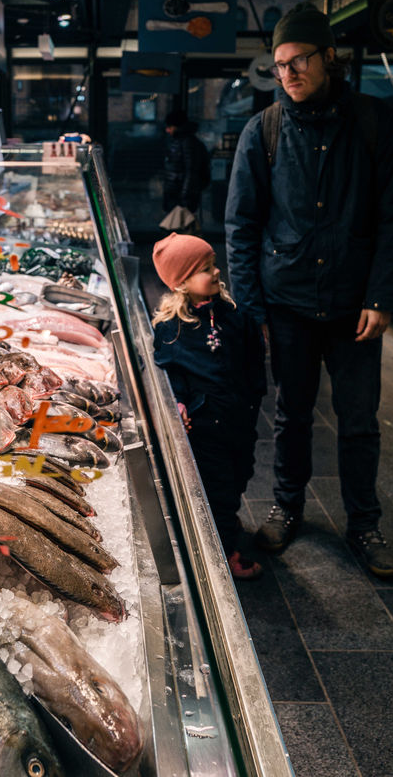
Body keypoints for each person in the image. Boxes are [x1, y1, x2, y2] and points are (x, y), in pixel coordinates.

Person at [225, 1, 393, 578]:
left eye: (299, 59)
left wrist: (381, 298)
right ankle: (286, 506)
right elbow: (241, 226)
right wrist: (253, 312)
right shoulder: (264, 131)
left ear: (329, 57)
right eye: (279, 65)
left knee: (358, 421)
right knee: (291, 415)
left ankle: (365, 524)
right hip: (288, 304)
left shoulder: (377, 123)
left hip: (355, 307)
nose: (289, 72)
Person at [152, 232, 266, 580]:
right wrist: (182, 404)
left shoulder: (234, 315)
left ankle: (227, 519)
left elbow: (253, 359)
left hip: (239, 418)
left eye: (214, 264)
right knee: (218, 487)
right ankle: (225, 553)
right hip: (205, 426)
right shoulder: (172, 329)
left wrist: (252, 398)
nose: (216, 273)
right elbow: (171, 374)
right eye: (204, 269)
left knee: (241, 473)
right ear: (182, 282)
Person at [162, 109, 211, 216]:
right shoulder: (180, 141)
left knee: (180, 227)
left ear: (176, 126)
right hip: (176, 195)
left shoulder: (187, 143)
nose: (167, 130)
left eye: (169, 127)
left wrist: (185, 198)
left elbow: (191, 171)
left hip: (180, 197)